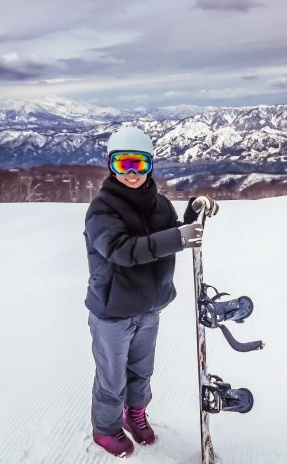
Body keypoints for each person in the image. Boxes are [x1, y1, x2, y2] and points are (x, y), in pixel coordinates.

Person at [84, 126, 219, 457]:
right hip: (113, 312)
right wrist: (180, 237)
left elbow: (172, 233)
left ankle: (135, 414)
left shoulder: (159, 203)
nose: (131, 173)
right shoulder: (102, 210)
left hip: (148, 307)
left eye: (138, 164)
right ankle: (106, 428)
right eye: (123, 165)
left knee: (141, 371)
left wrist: (192, 213)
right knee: (112, 377)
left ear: (150, 165)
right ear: (111, 166)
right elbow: (122, 250)